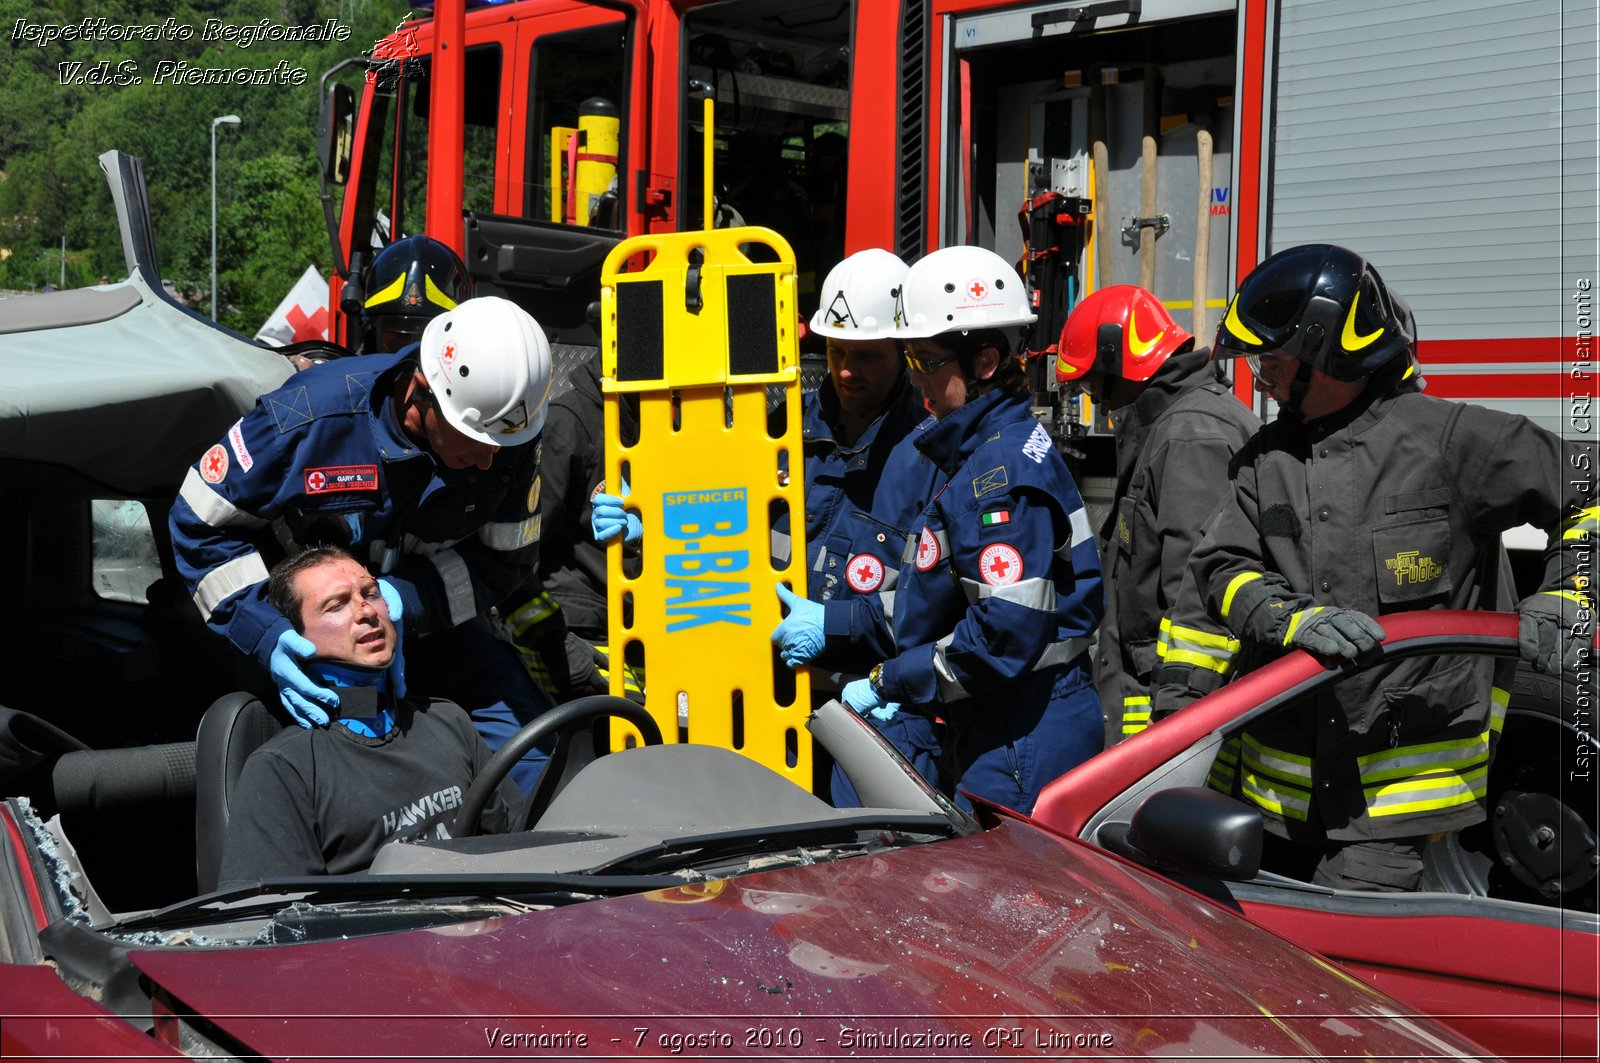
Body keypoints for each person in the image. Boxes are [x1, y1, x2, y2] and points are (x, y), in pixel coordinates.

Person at [1160, 243, 1594, 891]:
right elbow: (1222, 563)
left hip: (1392, 808)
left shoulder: (1450, 441)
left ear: (1325, 351)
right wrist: (1283, 616)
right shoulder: (1265, 460)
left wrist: (1569, 598)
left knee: (1339, 975)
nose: (1260, 376)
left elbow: (1587, 492)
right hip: (1273, 800)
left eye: (1271, 359)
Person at [170, 295, 558, 792]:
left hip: (435, 631)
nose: (488, 464)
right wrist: (267, 635)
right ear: (419, 392)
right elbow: (199, 523)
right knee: (342, 791)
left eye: (498, 448)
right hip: (314, 649)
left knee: (532, 761)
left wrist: (404, 602)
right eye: (473, 442)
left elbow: (506, 558)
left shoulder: (507, 434)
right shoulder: (307, 419)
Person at [773, 245, 1107, 814]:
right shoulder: (981, 454)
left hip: (1019, 731)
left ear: (983, 363)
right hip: (1001, 720)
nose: (916, 379)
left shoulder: (997, 476)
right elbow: (937, 594)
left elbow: (1002, 633)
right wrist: (833, 620)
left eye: (926, 362)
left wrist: (888, 680)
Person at [218, 546, 522, 883]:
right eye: (336, 605)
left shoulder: (448, 720)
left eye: (372, 593)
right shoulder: (284, 768)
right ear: (294, 638)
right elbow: (268, 920)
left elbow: (522, 844)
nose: (366, 611)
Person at [1054, 285, 1259, 743]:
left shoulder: (1192, 436)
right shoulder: (1170, 423)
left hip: (1163, 710)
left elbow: (1197, 595)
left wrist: (1173, 719)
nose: (1091, 396)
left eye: (1090, 381)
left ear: (1115, 363)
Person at [499, 356, 646, 705]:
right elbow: (521, 546)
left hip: (650, 618)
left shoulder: (669, 419)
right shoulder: (569, 424)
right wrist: (551, 635)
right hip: (580, 618)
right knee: (622, 734)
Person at [356, 235, 474, 354]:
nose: (410, 343)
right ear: (373, 331)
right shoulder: (349, 372)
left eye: (426, 331)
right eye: (396, 325)